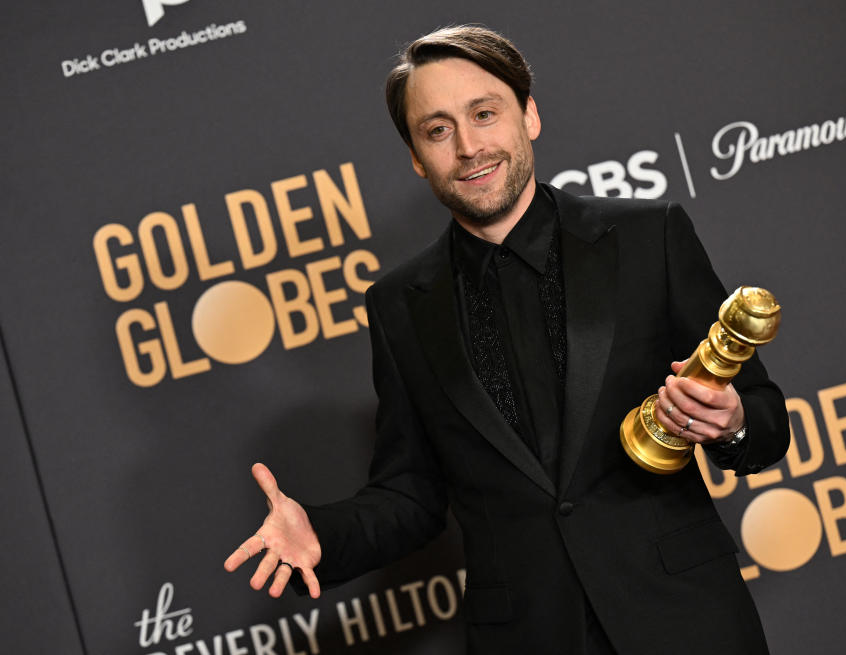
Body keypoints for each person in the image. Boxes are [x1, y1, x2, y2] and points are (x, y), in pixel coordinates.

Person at [224, 25, 789, 655]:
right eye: (437, 130)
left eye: (484, 113)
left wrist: (733, 421)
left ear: (530, 115)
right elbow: (410, 495)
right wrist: (323, 537)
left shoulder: (646, 238)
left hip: (686, 620)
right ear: (416, 156)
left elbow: (765, 422)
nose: (468, 146)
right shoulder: (399, 306)